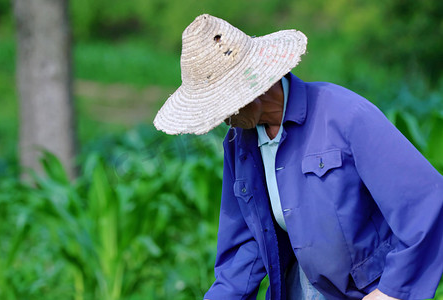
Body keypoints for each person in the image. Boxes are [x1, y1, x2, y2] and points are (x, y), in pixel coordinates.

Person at [154, 14, 443, 300]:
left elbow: (426, 203)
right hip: (298, 287)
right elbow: (245, 246)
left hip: (366, 290)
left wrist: (392, 291)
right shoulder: (240, 143)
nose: (221, 119)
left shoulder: (344, 116)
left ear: (251, 91)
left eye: (221, 106)